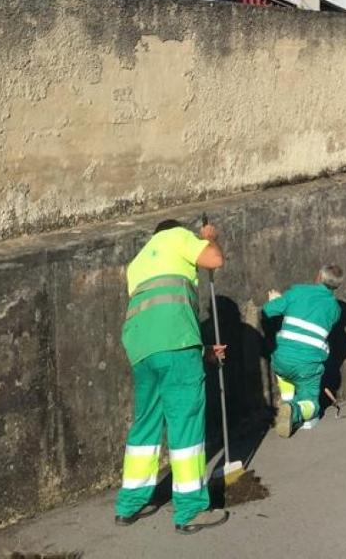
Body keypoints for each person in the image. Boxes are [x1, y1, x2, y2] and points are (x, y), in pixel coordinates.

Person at [114, 219, 230, 535]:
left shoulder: (138, 262)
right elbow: (214, 260)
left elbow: (159, 311)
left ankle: (130, 504)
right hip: (175, 344)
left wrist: (202, 351)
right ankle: (190, 509)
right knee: (185, 422)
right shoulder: (178, 237)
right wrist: (208, 238)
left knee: (146, 422)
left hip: (141, 348)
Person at [262, 264, 345, 438]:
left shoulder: (297, 292)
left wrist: (276, 300)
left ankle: (287, 402)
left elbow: (268, 311)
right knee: (312, 405)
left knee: (286, 375)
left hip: (281, 360)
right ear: (337, 286)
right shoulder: (335, 310)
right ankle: (295, 411)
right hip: (307, 366)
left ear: (319, 277)